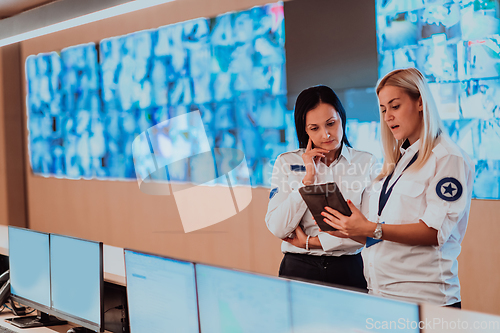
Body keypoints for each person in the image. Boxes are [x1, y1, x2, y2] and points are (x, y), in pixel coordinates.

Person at [320, 68, 474, 307]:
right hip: (382, 296)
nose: (388, 116)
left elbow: (434, 232)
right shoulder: (400, 160)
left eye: (395, 106)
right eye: (383, 110)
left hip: (425, 302)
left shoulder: (447, 157)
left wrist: (372, 228)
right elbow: (386, 233)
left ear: (420, 102)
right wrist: (354, 230)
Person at [265, 85, 377, 290]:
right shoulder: (286, 162)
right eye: (314, 128)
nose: (326, 134)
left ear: (342, 118)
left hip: (349, 268)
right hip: (298, 269)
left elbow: (370, 232)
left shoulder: (366, 162)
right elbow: (278, 227)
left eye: (331, 123)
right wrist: (307, 180)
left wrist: (310, 242)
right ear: (304, 130)